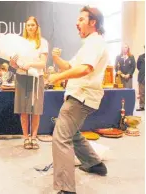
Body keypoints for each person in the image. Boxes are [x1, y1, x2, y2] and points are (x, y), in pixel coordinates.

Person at [49, 6, 108, 194]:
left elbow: (84, 69)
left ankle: (66, 189)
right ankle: (94, 163)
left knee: (61, 137)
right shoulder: (90, 44)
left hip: (80, 97)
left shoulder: (95, 43)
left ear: (93, 23)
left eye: (82, 19)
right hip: (81, 96)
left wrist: (56, 78)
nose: (77, 23)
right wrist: (56, 58)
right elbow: (70, 66)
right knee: (71, 133)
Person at [10, 16, 48, 149]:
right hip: (21, 77)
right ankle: (26, 137)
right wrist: (13, 63)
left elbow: (43, 64)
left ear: (37, 27)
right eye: (28, 25)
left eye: (32, 25)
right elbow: (15, 65)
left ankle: (34, 137)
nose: (30, 27)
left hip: (37, 78)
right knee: (23, 109)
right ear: (25, 27)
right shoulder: (20, 43)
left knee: (35, 109)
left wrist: (31, 64)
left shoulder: (42, 42)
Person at [136, 46, 145, 111]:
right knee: (142, 93)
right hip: (142, 77)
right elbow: (138, 66)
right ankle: (142, 106)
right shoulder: (141, 57)